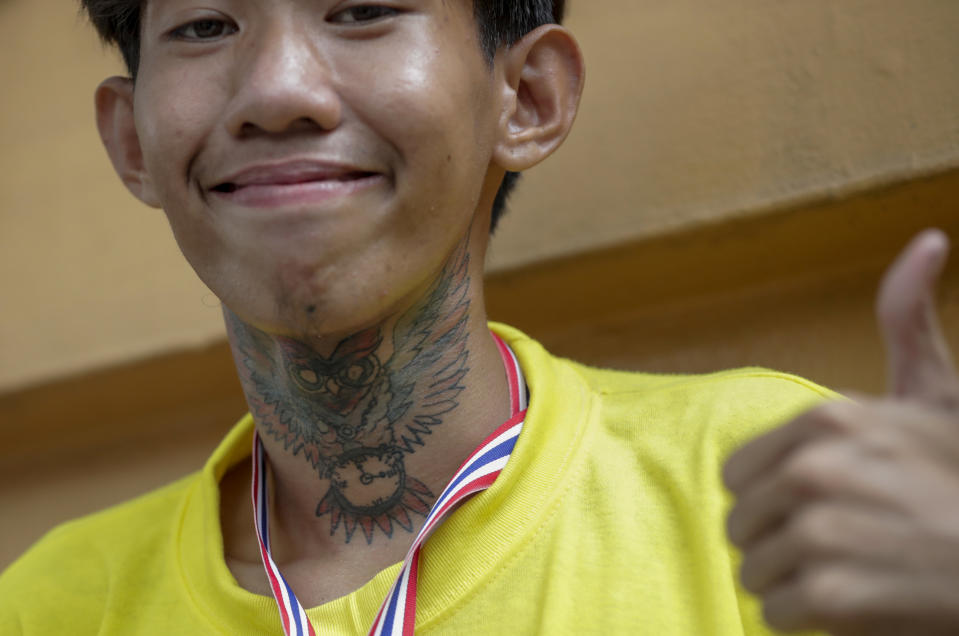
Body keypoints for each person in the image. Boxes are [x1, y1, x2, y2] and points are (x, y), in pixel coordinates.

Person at [2, 1, 958, 634]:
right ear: (132, 141)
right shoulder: (47, 607)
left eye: (363, 9)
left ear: (527, 99)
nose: (277, 92)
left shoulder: (772, 492)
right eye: (206, 23)